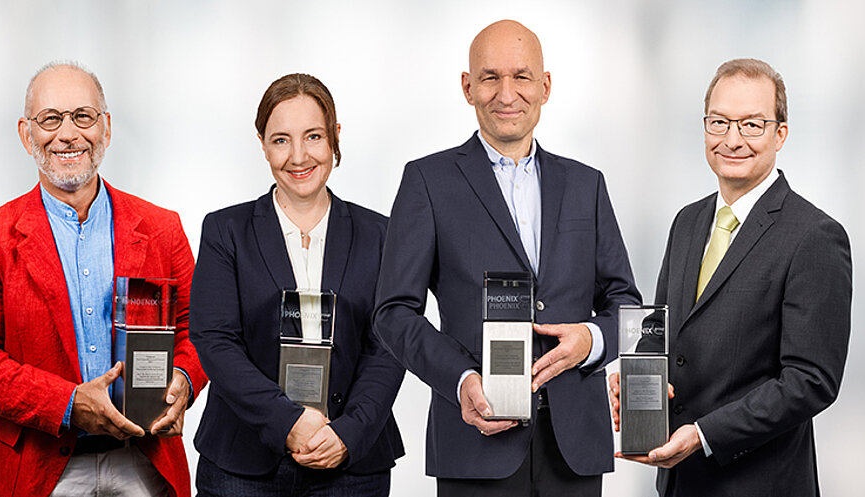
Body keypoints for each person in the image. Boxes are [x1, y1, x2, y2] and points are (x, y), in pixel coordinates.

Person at [373, 20, 641, 496]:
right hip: (475, 442)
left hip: (574, 446)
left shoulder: (587, 185)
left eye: (521, 76)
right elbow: (393, 314)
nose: (507, 93)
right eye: (491, 77)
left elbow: (626, 305)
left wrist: (591, 340)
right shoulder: (428, 182)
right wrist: (460, 379)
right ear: (467, 87)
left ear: (545, 86)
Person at [0, 61, 208, 497]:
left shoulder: (162, 228)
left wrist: (184, 379)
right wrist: (67, 405)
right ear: (26, 134)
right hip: (43, 469)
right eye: (50, 119)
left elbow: (199, 330)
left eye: (83, 117)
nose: (68, 134)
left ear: (105, 128)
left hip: (147, 461)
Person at [608, 58, 852, 496]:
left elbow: (811, 381)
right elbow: (661, 331)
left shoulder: (815, 236)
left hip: (760, 484)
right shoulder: (687, 222)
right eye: (719, 122)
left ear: (781, 134)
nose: (732, 139)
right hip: (678, 482)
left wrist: (704, 435)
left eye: (752, 124)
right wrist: (633, 379)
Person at [189, 73, 405, 496]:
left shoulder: (380, 235)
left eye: (313, 136)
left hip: (351, 461)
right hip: (242, 464)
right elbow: (215, 341)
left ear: (334, 137)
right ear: (263, 144)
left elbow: (389, 344)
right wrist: (287, 422)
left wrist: (349, 432)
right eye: (281, 140)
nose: (299, 155)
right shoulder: (225, 230)